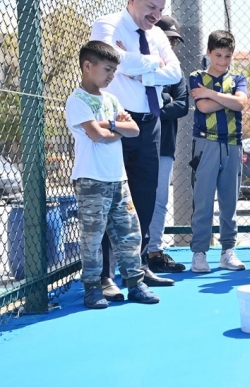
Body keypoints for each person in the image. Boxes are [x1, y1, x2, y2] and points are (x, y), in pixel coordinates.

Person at [91, 0, 182, 297]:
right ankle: (105, 275)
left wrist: (134, 68)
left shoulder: (157, 34)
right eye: (150, 6)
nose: (155, 14)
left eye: (160, 8)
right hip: (115, 122)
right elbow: (109, 60)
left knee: (143, 200)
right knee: (109, 201)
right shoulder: (107, 25)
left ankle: (139, 267)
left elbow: (174, 73)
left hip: (150, 125)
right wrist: (149, 66)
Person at [66, 40, 159, 308]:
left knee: (130, 232)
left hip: (118, 179)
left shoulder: (112, 99)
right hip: (91, 180)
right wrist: (116, 128)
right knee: (92, 237)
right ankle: (93, 287)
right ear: (87, 66)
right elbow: (96, 136)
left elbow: (134, 131)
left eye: (114, 70)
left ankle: (135, 283)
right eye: (107, 69)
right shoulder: (78, 100)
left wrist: (111, 125)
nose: (111, 76)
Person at [189, 30, 248, 273]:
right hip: (206, 145)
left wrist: (212, 94)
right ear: (208, 53)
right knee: (203, 200)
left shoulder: (238, 79)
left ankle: (227, 251)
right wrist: (227, 99)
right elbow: (202, 107)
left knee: (229, 201)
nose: (223, 61)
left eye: (227, 56)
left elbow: (240, 103)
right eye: (218, 55)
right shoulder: (196, 76)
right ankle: (200, 252)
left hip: (233, 144)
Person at [146, 15, 189, 274]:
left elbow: (182, 104)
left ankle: (154, 252)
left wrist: (155, 107)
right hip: (138, 144)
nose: (171, 45)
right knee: (134, 201)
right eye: (167, 39)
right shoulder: (142, 64)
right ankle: (130, 255)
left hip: (165, 145)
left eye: (174, 41)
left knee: (160, 200)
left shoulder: (175, 71)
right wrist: (163, 101)